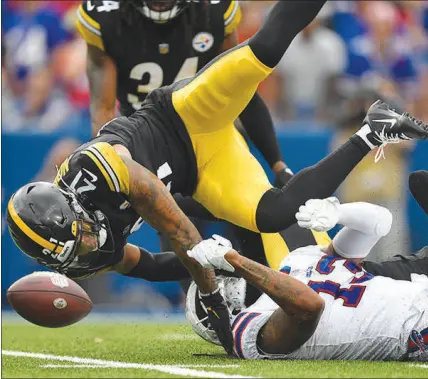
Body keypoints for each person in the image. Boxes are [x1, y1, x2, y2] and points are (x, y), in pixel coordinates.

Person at [6, 0, 428, 353]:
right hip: (202, 171)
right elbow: (148, 264)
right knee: (273, 214)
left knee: (263, 49)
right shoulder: (88, 250)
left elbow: (165, 211)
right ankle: (373, 131)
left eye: (76, 238)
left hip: (183, 116)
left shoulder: (90, 169)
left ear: (71, 210)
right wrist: (216, 275)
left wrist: (210, 291)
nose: (83, 246)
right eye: (72, 252)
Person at [76, 0, 297, 269]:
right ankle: (204, 297)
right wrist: (113, 165)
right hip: (150, 142)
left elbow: (241, 87)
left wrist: (277, 162)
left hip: (211, 134)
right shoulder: (106, 17)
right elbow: (103, 106)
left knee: (253, 218)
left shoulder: (215, 11)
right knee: (181, 238)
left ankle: (258, 294)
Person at [186, 196, 428, 361]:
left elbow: (379, 222)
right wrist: (236, 261)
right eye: (216, 278)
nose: (222, 275)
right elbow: (308, 306)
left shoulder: (296, 260)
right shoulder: (248, 331)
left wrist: (337, 212)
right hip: (416, 327)